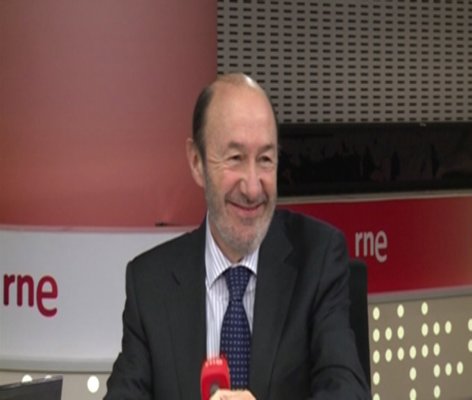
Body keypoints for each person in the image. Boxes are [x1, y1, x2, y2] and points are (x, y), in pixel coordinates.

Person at [105, 73, 370, 399]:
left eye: (265, 160)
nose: (253, 187)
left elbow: (347, 391)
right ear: (197, 162)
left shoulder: (318, 257)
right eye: (235, 158)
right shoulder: (150, 283)